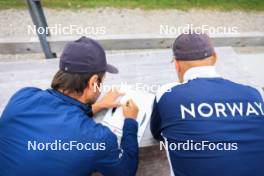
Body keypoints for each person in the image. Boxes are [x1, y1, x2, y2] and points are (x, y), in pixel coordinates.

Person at [0, 37, 139, 176]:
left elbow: (59, 119)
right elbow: (125, 172)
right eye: (101, 82)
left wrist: (98, 106)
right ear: (93, 82)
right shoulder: (98, 139)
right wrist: (130, 122)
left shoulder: (23, 97)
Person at [150, 32, 264, 176]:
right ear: (215, 57)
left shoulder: (167, 93)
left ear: (177, 64)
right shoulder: (254, 94)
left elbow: (157, 133)